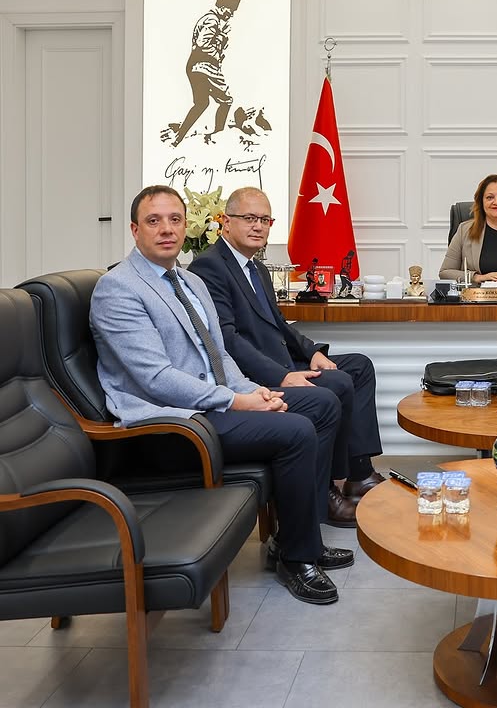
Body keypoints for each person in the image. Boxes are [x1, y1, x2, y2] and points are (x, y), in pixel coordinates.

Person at [91, 185, 354, 606]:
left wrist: (255, 390)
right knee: (298, 430)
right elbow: (155, 378)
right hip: (173, 422)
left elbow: (219, 354)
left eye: (175, 219)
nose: (166, 230)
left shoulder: (189, 281)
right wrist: (235, 401)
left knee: (323, 402)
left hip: (210, 403)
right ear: (134, 230)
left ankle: (297, 536)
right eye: (154, 221)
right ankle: (296, 559)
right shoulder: (118, 289)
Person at [189, 187, 384, 529]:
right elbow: (227, 339)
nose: (258, 226)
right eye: (249, 218)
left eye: (264, 220)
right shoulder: (210, 267)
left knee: (358, 366)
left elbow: (279, 324)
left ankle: (358, 472)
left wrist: (312, 353)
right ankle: (324, 490)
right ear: (225, 223)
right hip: (252, 374)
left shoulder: (257, 268)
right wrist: (281, 376)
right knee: (337, 382)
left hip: (281, 360)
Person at [171, 0, 241, 146]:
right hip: (205, 66)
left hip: (194, 67)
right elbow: (203, 45)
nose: (231, 15)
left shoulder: (210, 20)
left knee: (201, 104)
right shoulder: (212, 20)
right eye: (231, 10)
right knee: (226, 100)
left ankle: (179, 137)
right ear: (223, 6)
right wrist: (222, 38)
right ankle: (218, 136)